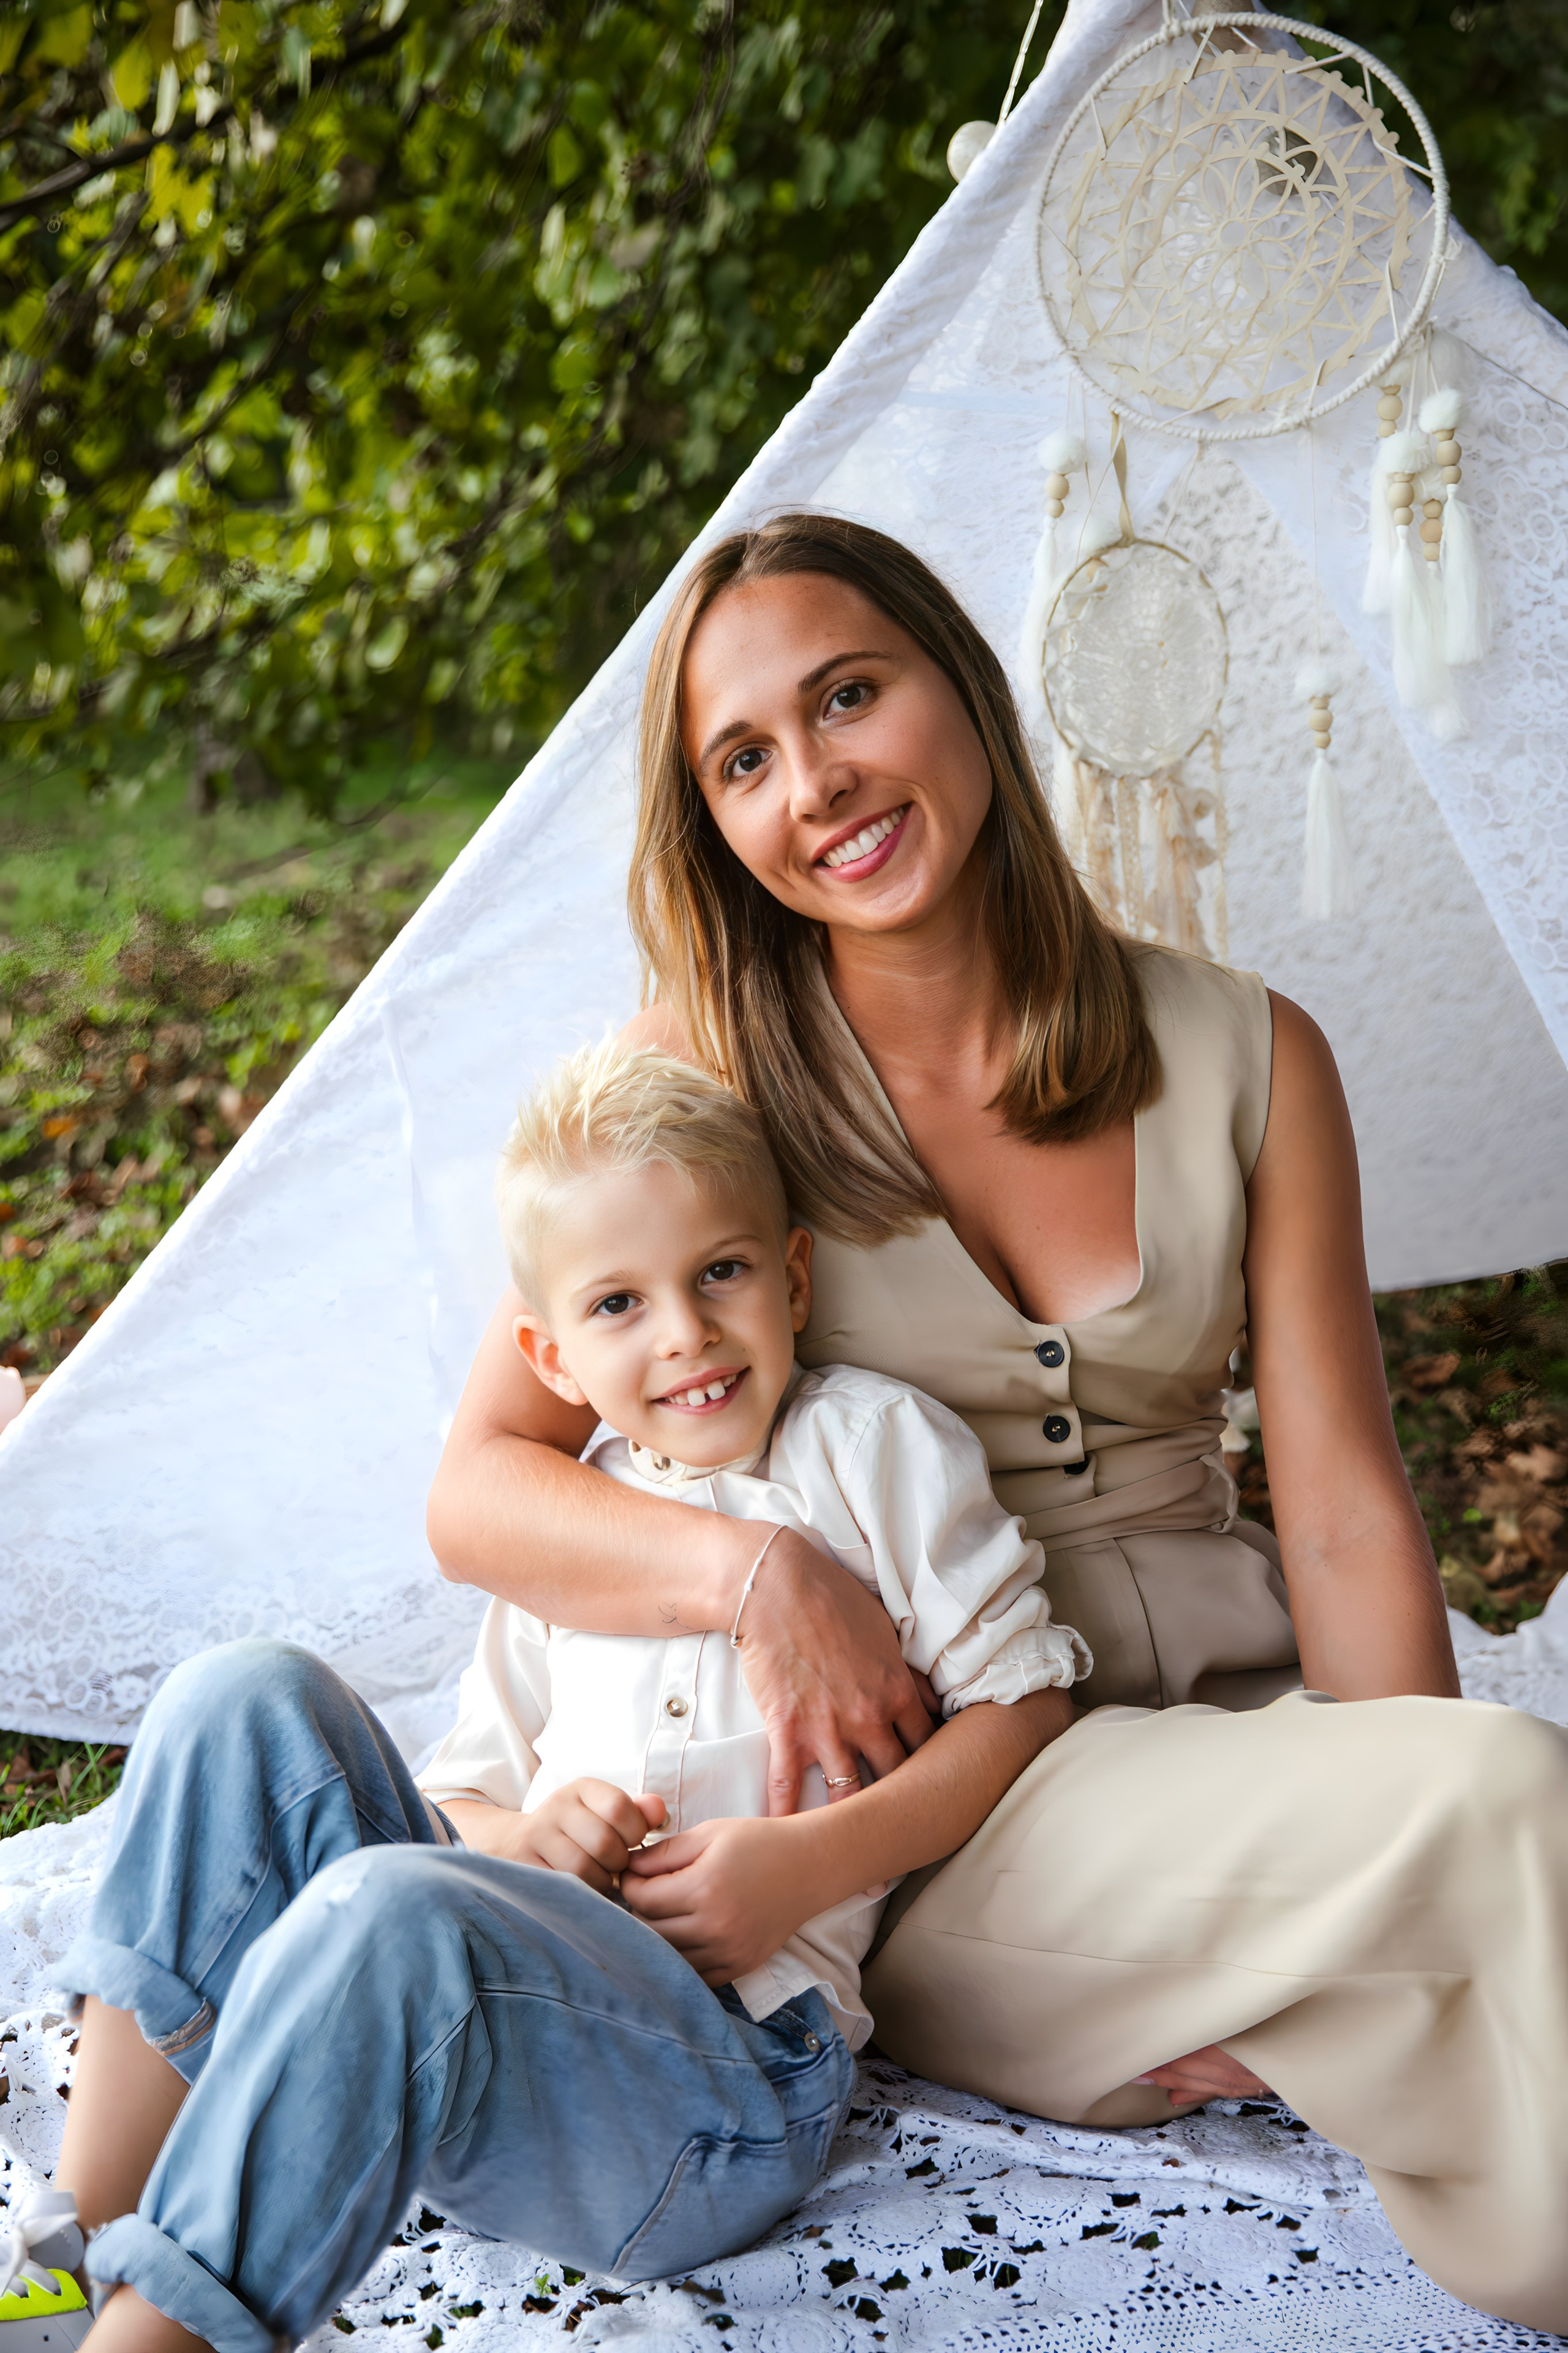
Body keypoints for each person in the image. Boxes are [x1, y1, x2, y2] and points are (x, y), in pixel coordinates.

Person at [424, 513, 1568, 2333]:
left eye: (849, 695)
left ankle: (1318, 2022)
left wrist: (1375, 1819)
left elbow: (1343, 1504)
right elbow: (483, 1491)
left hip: (1240, 1742)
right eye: (745, 760)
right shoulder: (701, 1066)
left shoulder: (1252, 1049)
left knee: (1475, 1825)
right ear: (716, 822)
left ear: (961, 682)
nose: (818, 784)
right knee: (1518, 1793)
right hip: (945, 1821)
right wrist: (758, 1576)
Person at [0, 1042, 1085, 2353]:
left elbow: (1021, 1709)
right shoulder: (580, 1529)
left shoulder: (873, 1452)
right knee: (240, 1695)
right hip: (503, 2062)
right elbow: (465, 1800)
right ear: (550, 1354)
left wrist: (805, 1866)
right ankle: (72, 2250)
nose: (683, 1331)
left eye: (720, 1273)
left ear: (790, 1275)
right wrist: (530, 1841)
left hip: (722, 2099)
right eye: (618, 1304)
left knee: (393, 1907)